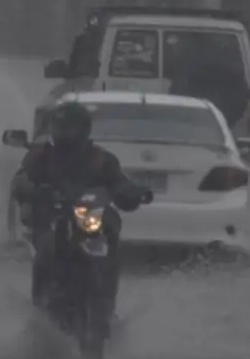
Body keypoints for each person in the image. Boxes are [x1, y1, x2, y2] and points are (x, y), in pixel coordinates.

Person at [10, 100, 151, 321]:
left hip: (89, 219)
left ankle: (107, 298)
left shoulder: (101, 158)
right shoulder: (41, 156)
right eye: (59, 127)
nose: (63, 133)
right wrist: (33, 189)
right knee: (46, 249)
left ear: (83, 129)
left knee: (111, 228)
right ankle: (40, 306)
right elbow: (21, 179)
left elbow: (119, 182)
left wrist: (133, 192)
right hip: (52, 218)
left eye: (69, 127)